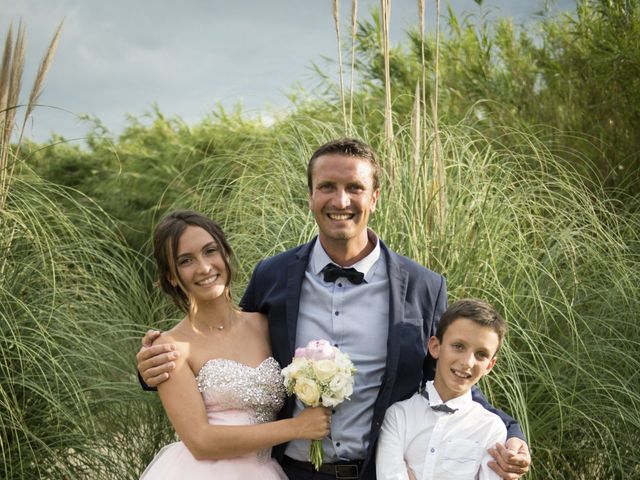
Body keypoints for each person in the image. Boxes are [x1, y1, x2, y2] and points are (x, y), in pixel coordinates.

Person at [137, 138, 531, 480]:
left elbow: (448, 380)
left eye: (354, 187)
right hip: (286, 473)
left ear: (373, 198)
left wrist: (511, 432)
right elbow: (228, 346)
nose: (340, 201)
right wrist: (153, 368)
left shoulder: (424, 287)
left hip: (376, 472)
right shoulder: (272, 276)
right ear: (310, 196)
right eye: (327, 186)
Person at [139, 210, 330, 480]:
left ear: (225, 254)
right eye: (186, 261)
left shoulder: (265, 324)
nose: (204, 267)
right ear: (171, 277)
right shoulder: (170, 348)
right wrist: (297, 428)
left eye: (210, 251)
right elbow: (201, 442)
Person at [376, 299, 509, 480]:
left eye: (481, 354)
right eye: (458, 346)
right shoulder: (398, 416)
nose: (467, 362)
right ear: (435, 347)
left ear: (489, 366)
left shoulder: (492, 429)